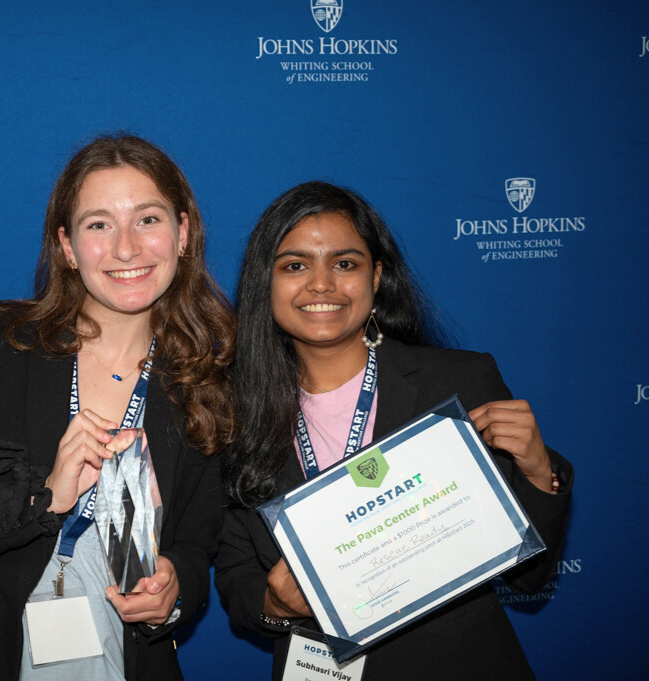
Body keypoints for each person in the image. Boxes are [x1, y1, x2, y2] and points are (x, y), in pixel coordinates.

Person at [0, 133, 234, 681]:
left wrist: (175, 587)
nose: (126, 248)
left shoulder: (207, 381)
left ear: (183, 234)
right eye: (98, 225)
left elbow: (198, 543)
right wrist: (45, 495)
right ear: (66, 246)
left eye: (147, 219)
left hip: (124, 654)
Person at [215, 181, 572, 680]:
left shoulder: (458, 382)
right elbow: (236, 576)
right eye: (295, 265)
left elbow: (531, 578)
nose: (321, 284)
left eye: (345, 263)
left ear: (377, 276)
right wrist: (274, 603)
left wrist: (538, 471)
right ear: (265, 283)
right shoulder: (231, 415)